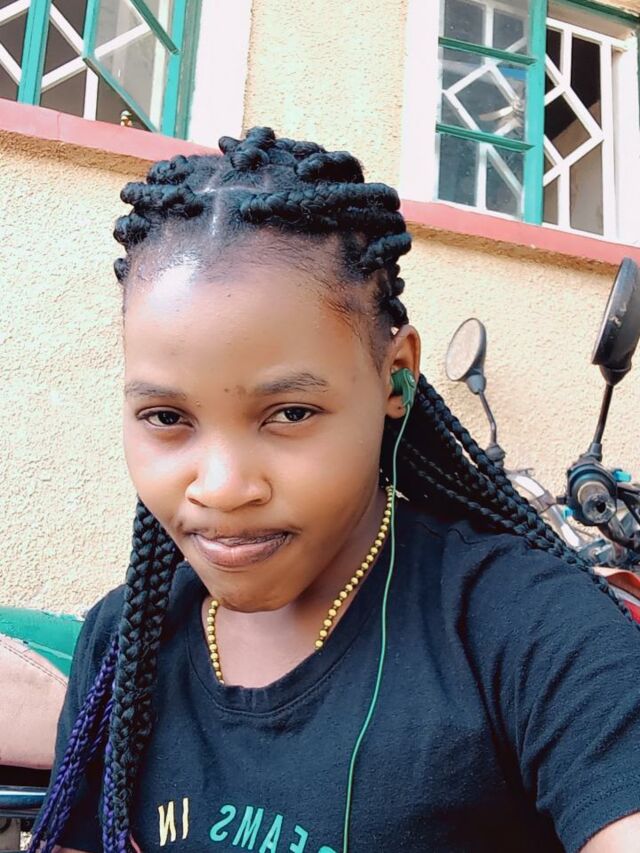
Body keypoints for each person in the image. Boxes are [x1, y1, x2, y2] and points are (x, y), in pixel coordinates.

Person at [30, 127, 640, 853]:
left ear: (395, 375)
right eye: (166, 417)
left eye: (290, 413)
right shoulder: (122, 642)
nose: (222, 488)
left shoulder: (531, 630)